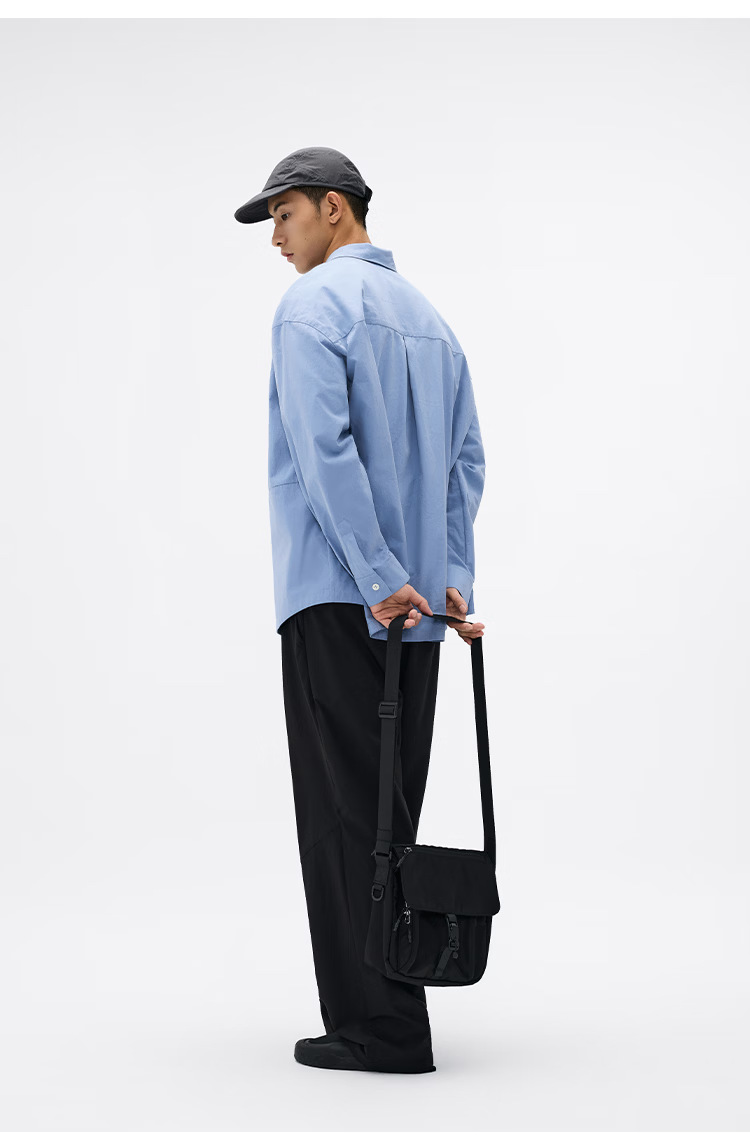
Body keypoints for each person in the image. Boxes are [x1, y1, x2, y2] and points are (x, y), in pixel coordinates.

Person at [234, 147, 486, 1074]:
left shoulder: (311, 307)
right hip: (418, 613)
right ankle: (396, 1010)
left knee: (343, 811)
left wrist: (378, 575)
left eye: (284, 213)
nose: (276, 236)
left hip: (345, 594)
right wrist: (447, 577)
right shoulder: (433, 322)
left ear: (335, 208)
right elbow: (465, 462)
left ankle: (378, 1028)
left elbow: (322, 452)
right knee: (389, 809)